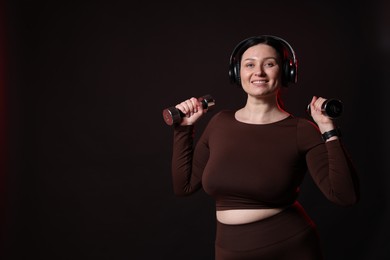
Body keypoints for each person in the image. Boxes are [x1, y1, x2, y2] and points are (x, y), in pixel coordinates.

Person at [168, 35, 359, 259]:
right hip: (228, 250)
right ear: (237, 73)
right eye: (249, 64)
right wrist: (183, 130)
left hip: (289, 247)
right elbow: (184, 187)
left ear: (286, 72)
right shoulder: (220, 123)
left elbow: (345, 196)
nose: (258, 72)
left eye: (269, 63)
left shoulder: (301, 130)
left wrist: (328, 129)